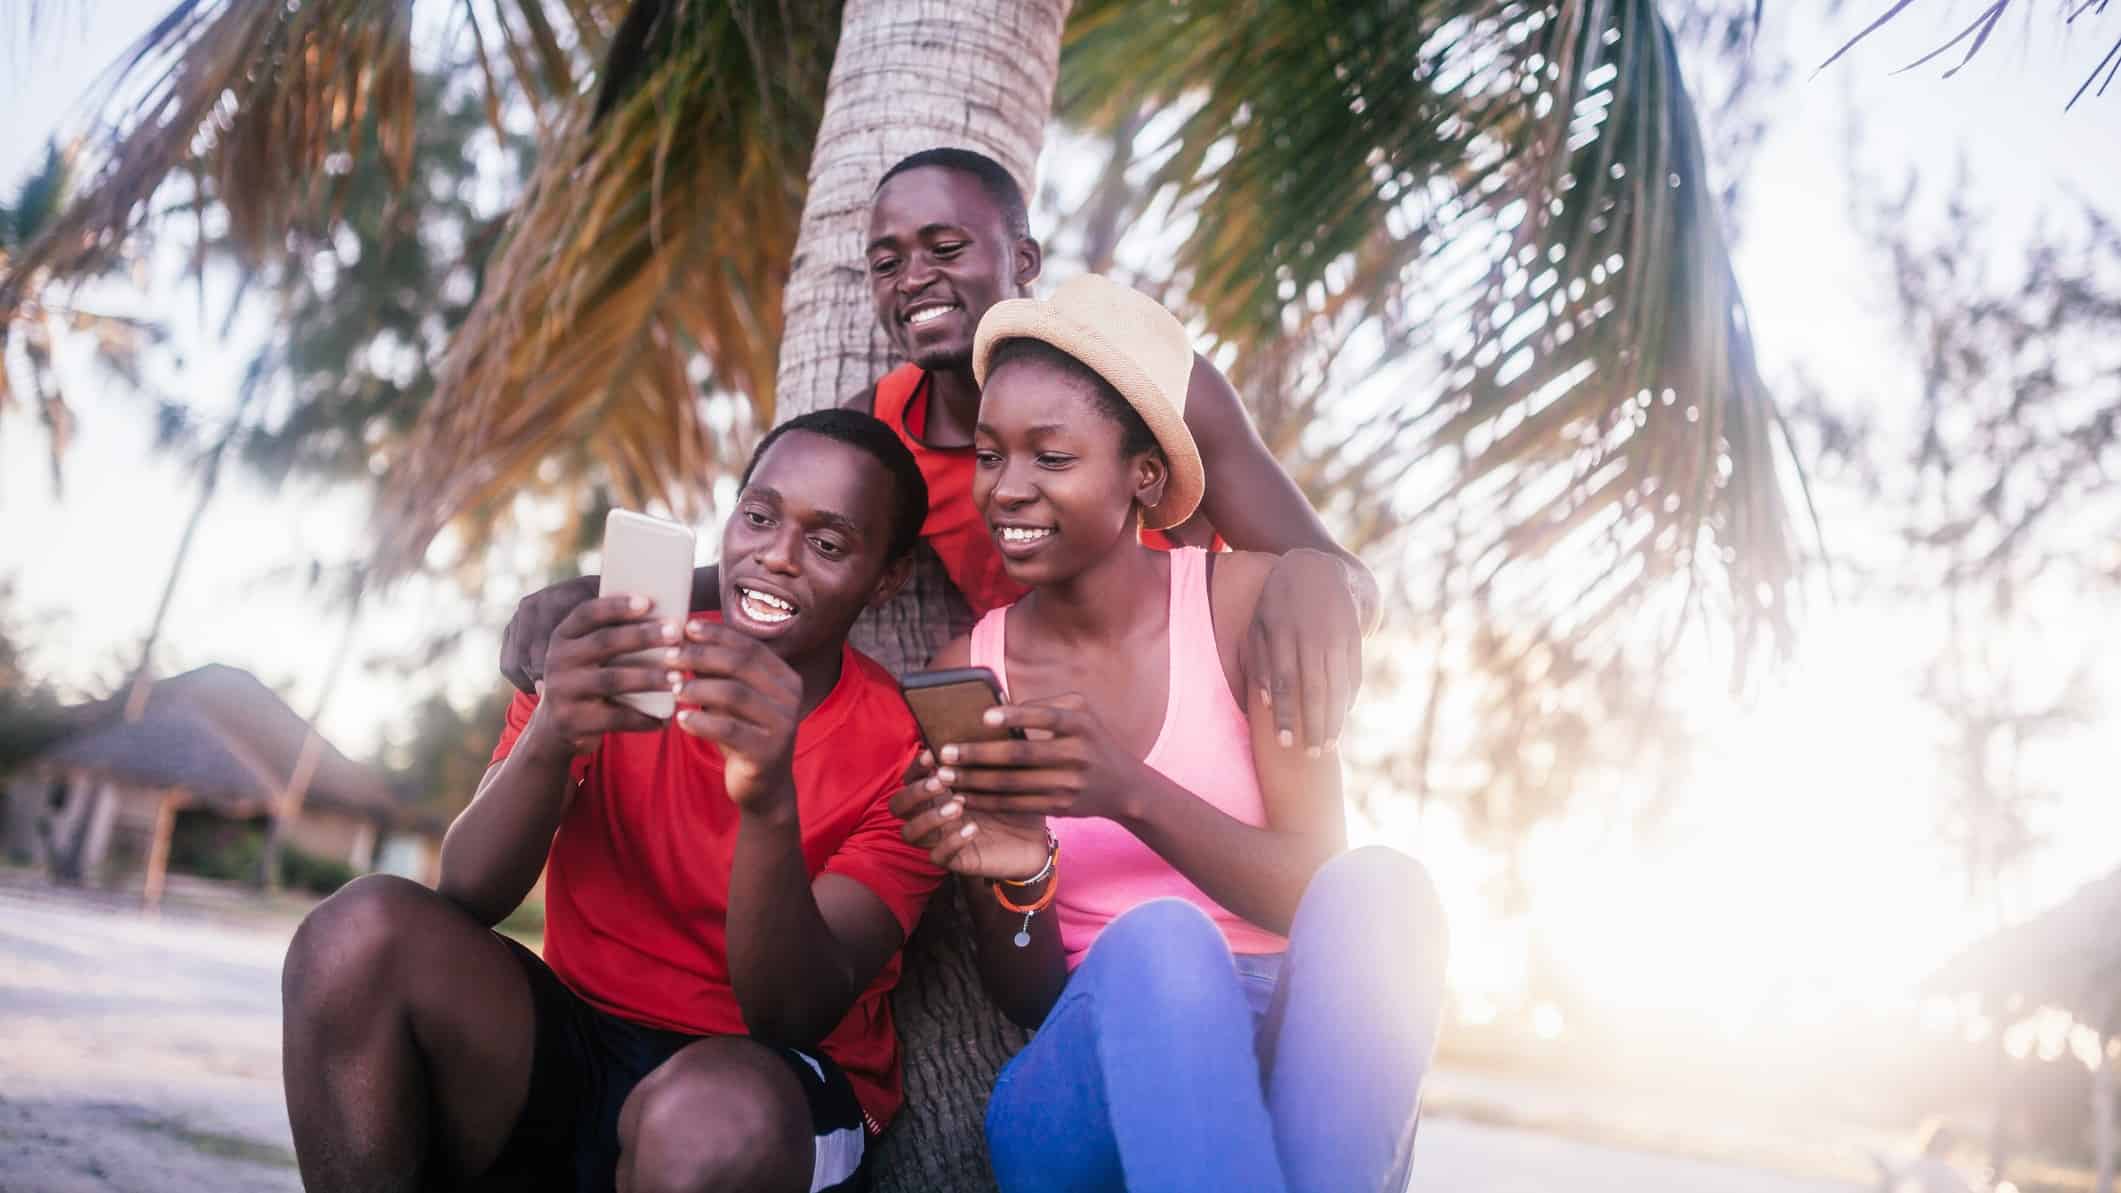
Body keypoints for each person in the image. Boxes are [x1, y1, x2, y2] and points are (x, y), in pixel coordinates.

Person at [500, 147, 1377, 753]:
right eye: (885, 262)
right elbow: (777, 569)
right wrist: (599, 594)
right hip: (1048, 736)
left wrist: (1313, 585)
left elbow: (1346, 582)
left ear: (1021, 258)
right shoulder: (879, 429)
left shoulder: (1144, 389)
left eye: (944, 247)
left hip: (1214, 712)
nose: (911, 276)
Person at [280, 410, 945, 1193]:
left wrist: (768, 800)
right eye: (758, 517)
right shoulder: (611, 656)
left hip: (762, 1091)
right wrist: (555, 728)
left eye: (827, 543)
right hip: (575, 1037)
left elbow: (789, 1012)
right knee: (355, 934)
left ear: (888, 576)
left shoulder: (903, 753)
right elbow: (467, 892)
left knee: (704, 1125)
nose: (776, 555)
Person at [890, 275, 1449, 1193]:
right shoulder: (977, 664)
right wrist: (1018, 873)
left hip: (1296, 1065)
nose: (1009, 489)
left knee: (1385, 889)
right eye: (990, 456)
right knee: (1160, 945)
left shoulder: (1242, 603)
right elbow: (1028, 994)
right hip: (1091, 1075)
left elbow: (1308, 886)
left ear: (1142, 476)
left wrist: (1128, 791)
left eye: (1051, 457)